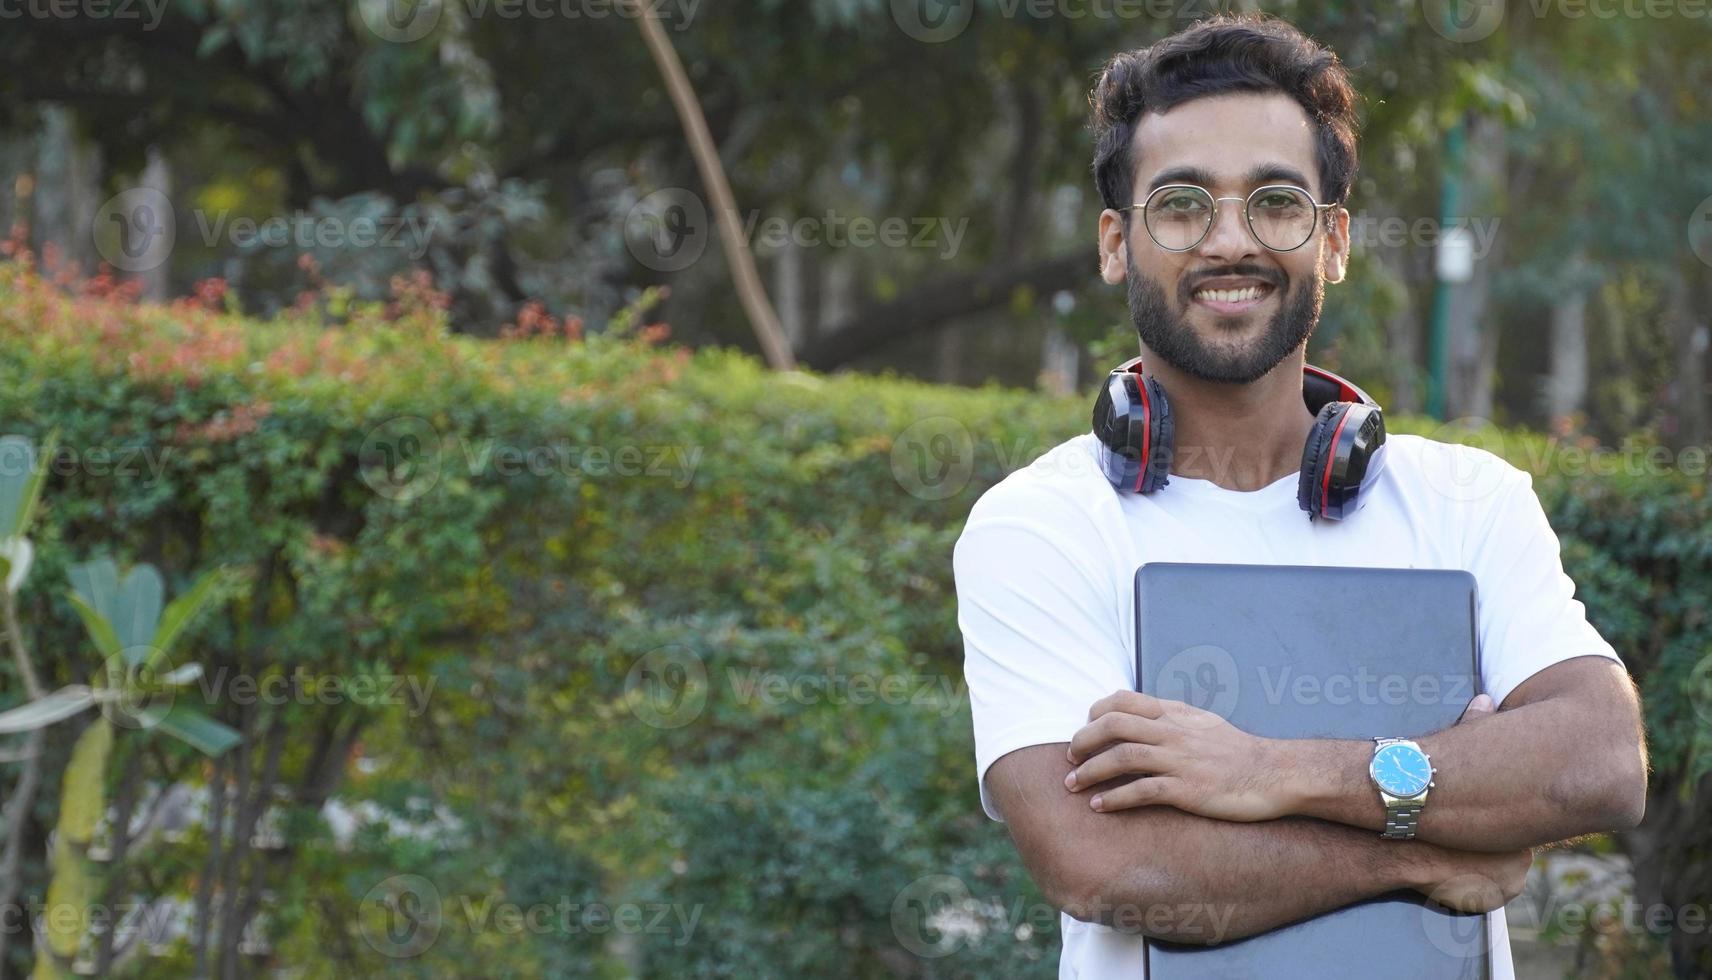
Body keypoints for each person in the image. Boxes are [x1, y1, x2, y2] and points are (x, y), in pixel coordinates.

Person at [952, 14, 1648, 979]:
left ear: (1334, 242)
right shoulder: (1041, 525)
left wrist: (1268, 773)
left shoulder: (1470, 502)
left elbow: (1597, 762)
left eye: (1277, 202)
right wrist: (1438, 841)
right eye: (1183, 204)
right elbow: (1107, 862)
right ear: (1117, 243)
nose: (1230, 240)